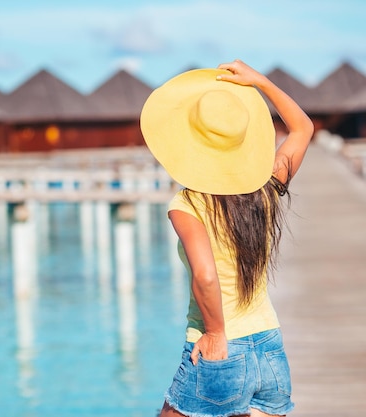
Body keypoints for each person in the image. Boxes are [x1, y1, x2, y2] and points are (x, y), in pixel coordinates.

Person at [140, 59, 314, 417]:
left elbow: (205, 274)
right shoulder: (266, 189)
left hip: (221, 353)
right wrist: (261, 82)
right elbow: (302, 129)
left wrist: (216, 332)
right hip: (270, 349)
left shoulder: (188, 203)